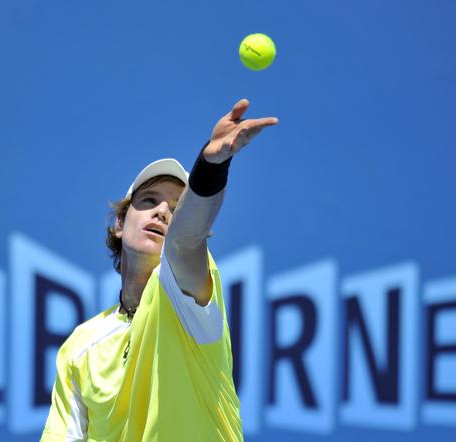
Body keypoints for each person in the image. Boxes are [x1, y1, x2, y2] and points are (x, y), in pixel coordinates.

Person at [41, 99, 278, 441]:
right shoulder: (80, 344)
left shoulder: (184, 296)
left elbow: (185, 241)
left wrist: (211, 167)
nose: (163, 212)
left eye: (177, 207)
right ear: (120, 224)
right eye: (149, 201)